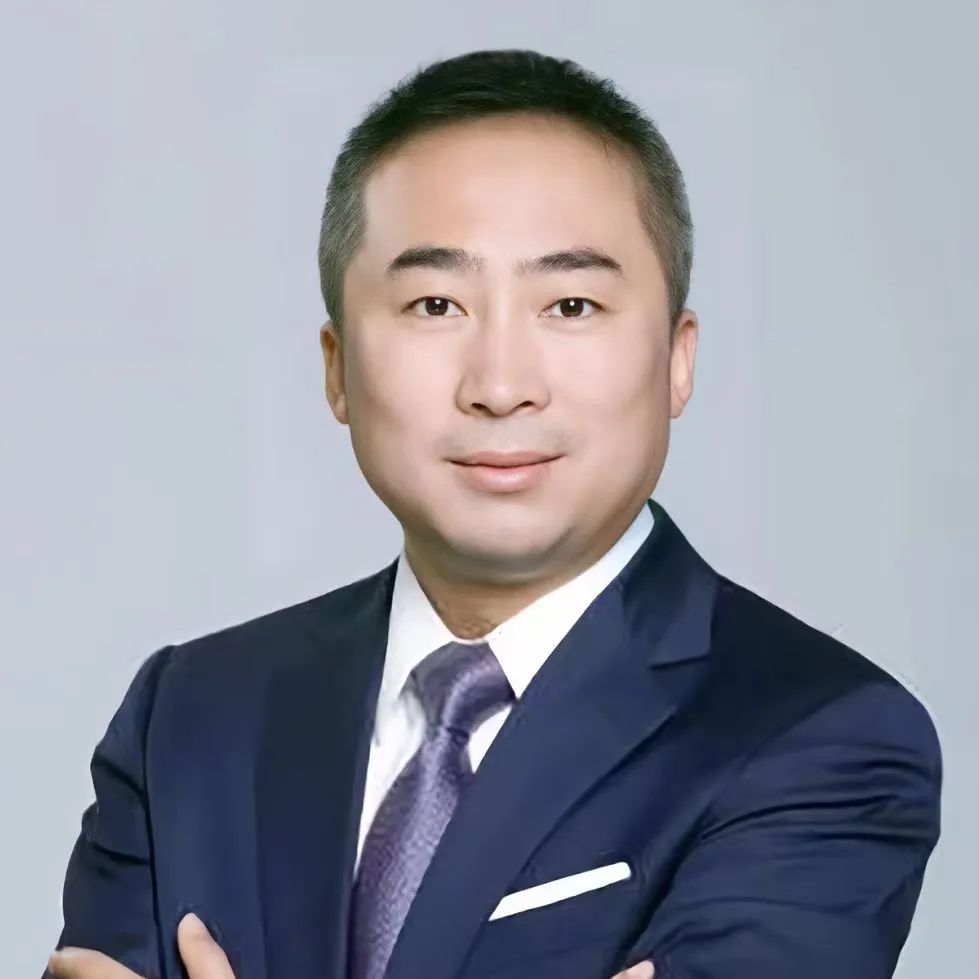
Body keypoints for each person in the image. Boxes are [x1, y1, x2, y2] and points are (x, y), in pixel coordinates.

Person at [43, 48, 941, 979]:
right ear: (337, 368)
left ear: (677, 360)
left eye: (571, 304)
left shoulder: (822, 738)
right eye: (435, 304)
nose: (501, 384)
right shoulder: (191, 716)